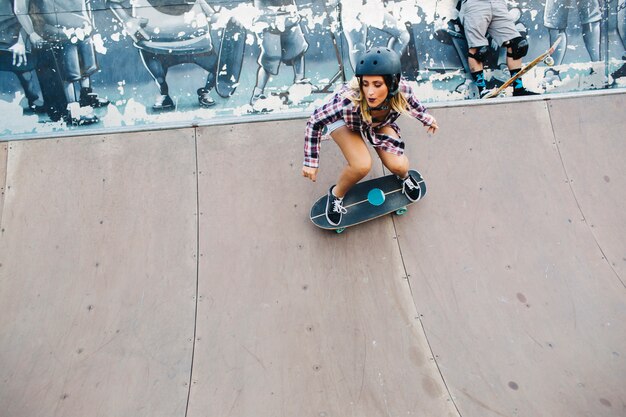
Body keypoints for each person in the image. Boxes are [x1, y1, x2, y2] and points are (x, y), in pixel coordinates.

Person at [301, 47, 439, 226]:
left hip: (378, 123)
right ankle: (336, 196)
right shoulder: (347, 100)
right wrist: (310, 162)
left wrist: (426, 118)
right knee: (361, 165)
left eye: (377, 84)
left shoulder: (403, 90)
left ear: (392, 83)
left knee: (399, 165)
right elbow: (315, 121)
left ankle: (404, 178)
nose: (370, 92)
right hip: (346, 122)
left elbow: (414, 105)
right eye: (365, 84)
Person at [459, 0, 538, 97]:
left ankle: (518, 89)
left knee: (517, 45)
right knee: (478, 49)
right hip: (475, 4)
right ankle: (483, 91)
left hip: (498, 4)